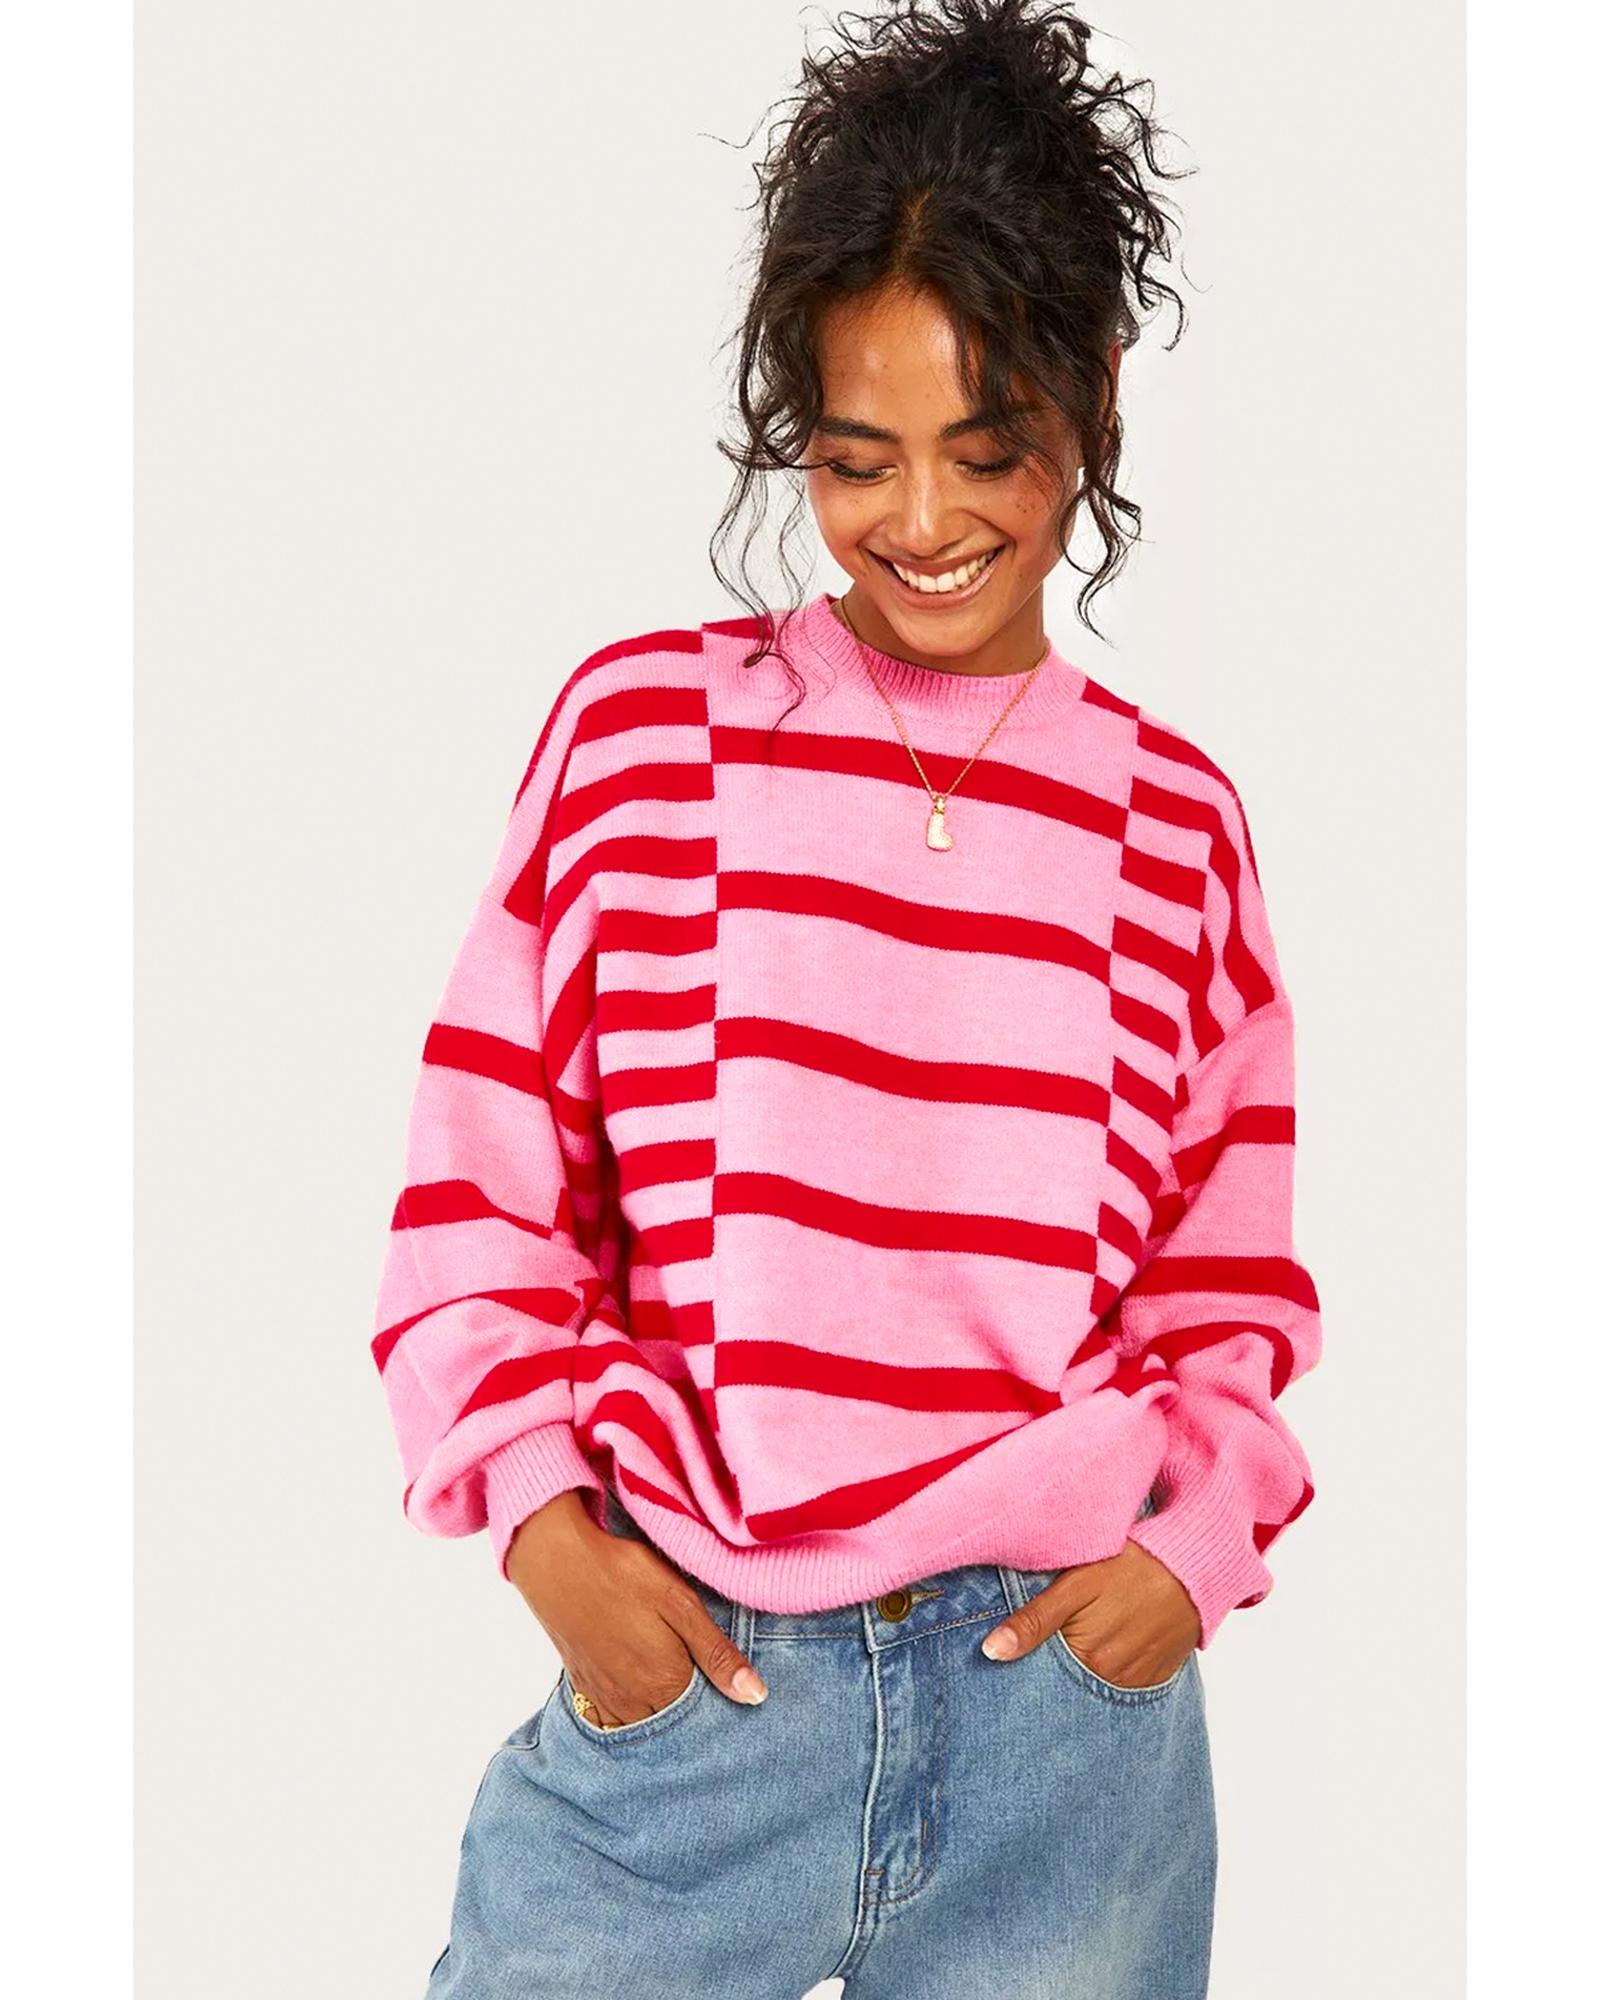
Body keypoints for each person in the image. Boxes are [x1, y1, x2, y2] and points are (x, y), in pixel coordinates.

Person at [371, 2, 1321, 1993]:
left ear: (1098, 400)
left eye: (991, 451)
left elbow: (1219, 1279)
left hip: (1062, 1722)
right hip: (693, 1695)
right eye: (854, 456)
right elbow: (483, 1190)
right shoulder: (644, 742)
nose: (922, 522)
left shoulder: (1174, 825)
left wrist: (1188, 1550)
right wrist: (542, 1528)